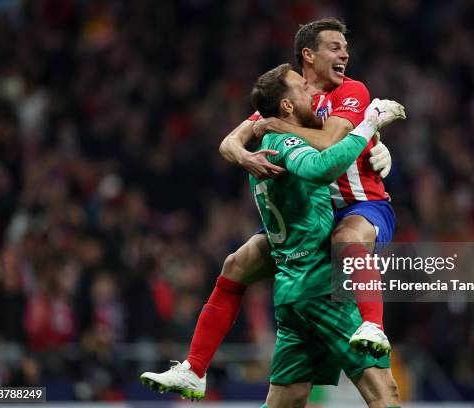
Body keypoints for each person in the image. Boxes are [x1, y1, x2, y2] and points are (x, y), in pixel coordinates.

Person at [140, 18, 402, 400]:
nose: (344, 53)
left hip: (360, 205)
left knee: (346, 239)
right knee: (236, 264)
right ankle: (194, 368)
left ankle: (373, 325)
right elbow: (229, 142)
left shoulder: (351, 91)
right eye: (334, 46)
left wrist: (276, 126)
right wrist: (244, 157)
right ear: (308, 56)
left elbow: (329, 142)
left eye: (345, 46)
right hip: (311, 216)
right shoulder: (290, 94)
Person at [250, 64, 402, 407]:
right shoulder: (287, 143)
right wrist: (368, 125)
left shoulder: (261, 146)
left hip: (291, 291)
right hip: (322, 288)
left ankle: (194, 363)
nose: (314, 95)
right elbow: (321, 167)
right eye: (303, 91)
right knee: (384, 393)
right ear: (287, 106)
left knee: (285, 401)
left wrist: (376, 144)